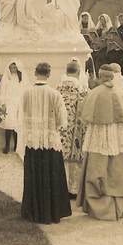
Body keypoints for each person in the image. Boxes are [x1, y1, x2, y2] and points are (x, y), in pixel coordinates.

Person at [77, 66, 123, 220]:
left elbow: (84, 118)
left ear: (100, 77)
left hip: (98, 141)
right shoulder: (122, 94)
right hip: (118, 141)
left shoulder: (93, 94)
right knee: (117, 171)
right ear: (112, 77)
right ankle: (119, 206)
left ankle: (99, 207)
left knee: (97, 171)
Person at [20, 62, 72, 224]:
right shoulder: (54, 94)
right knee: (51, 176)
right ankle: (52, 211)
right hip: (50, 140)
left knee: (34, 175)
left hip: (33, 139)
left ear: (35, 73)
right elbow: (62, 120)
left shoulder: (27, 93)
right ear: (48, 74)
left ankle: (33, 210)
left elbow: (21, 115)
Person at [57, 61, 88, 198]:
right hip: (76, 131)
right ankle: (73, 189)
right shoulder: (81, 89)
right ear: (79, 72)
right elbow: (85, 111)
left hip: (60, 129)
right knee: (74, 161)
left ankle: (60, 188)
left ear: (66, 71)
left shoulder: (57, 88)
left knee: (61, 159)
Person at [0, 61, 25, 154]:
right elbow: (2, 92)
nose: (13, 69)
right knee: (8, 124)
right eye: (11, 68)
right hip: (9, 103)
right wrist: (3, 104)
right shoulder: (6, 78)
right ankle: (7, 145)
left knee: (17, 125)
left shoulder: (20, 78)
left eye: (15, 67)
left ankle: (16, 145)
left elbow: (23, 91)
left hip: (18, 103)